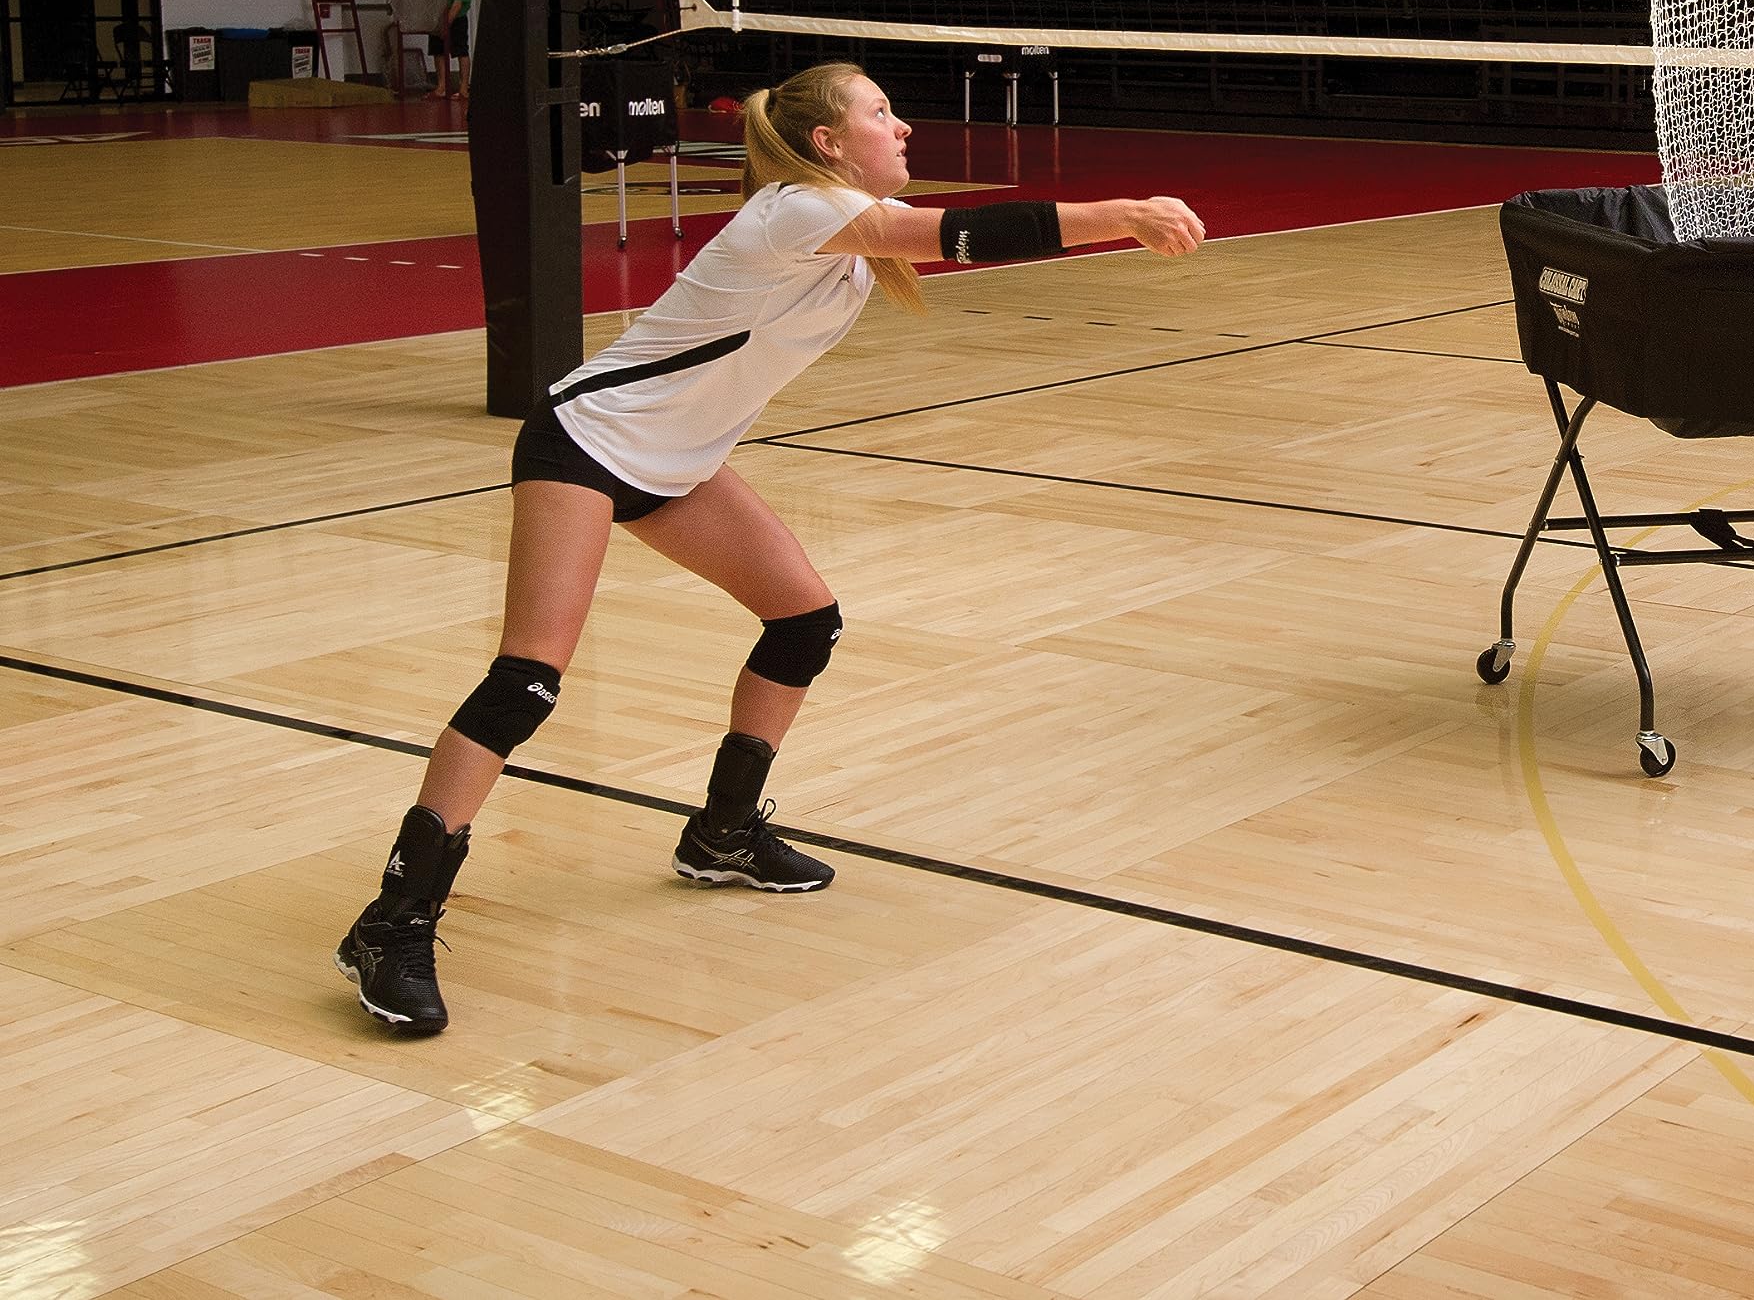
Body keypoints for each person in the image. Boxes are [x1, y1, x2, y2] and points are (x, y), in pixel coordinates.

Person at [334, 60, 1205, 1035]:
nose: (903, 126)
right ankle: (393, 919)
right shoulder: (795, 210)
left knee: (803, 621)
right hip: (584, 441)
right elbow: (960, 234)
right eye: (880, 113)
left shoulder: (839, 234)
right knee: (526, 680)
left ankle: (723, 830)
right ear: (827, 142)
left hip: (678, 461)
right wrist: (1122, 211)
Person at [429, 0, 474, 99]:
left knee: (461, 50)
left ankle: (463, 89)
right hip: (438, 11)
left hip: (458, 15)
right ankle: (441, 86)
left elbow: (457, 4)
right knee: (438, 50)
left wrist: (445, 24)